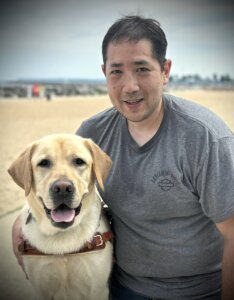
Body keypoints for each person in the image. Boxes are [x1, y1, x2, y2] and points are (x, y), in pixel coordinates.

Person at [12, 15, 234, 300]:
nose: (129, 86)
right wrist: (23, 221)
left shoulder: (204, 138)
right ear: (105, 73)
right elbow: (57, 182)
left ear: (165, 71)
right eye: (116, 72)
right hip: (124, 288)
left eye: (142, 69)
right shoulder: (92, 134)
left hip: (200, 292)